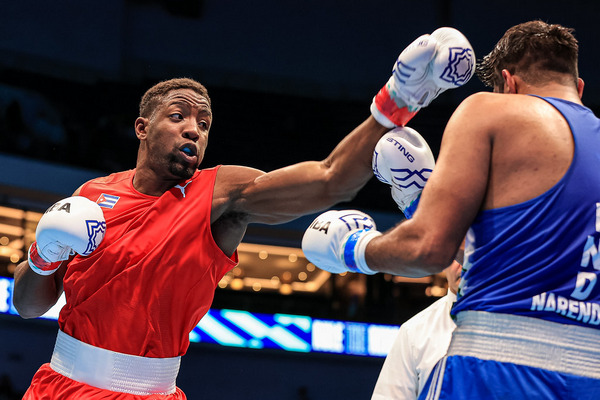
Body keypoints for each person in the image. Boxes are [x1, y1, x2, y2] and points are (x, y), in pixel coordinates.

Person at [11, 28, 475, 399]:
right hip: (59, 386)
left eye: (204, 122)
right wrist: (42, 253)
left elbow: (331, 179)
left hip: (151, 392)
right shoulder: (93, 193)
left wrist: (396, 102)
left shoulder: (220, 193)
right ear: (142, 128)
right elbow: (28, 307)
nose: (193, 127)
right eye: (178, 116)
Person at [302, 20, 600, 399]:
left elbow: (427, 249)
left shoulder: (490, 111)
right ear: (579, 88)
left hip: (494, 368)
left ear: (508, 84)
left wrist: (353, 248)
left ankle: (417, 199)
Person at [371, 261, 461, 400]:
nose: (463, 263)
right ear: (445, 258)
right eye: (458, 255)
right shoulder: (413, 331)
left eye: (470, 252)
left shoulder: (505, 323)